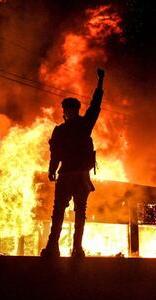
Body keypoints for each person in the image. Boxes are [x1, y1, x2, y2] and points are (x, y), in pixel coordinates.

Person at [41, 68, 105, 258]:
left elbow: (55, 153)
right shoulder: (85, 125)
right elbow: (95, 106)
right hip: (80, 176)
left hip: (67, 175)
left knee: (59, 212)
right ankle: (76, 248)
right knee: (79, 213)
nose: (66, 113)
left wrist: (52, 170)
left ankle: (54, 247)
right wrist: (100, 81)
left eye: (66, 110)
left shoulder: (60, 130)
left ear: (67, 112)